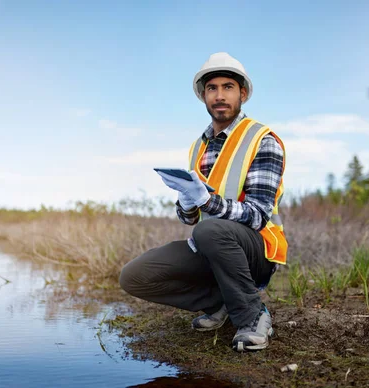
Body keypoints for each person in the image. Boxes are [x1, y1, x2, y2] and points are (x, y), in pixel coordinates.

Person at [119, 52, 287, 352]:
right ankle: (221, 301)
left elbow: (259, 215)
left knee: (209, 232)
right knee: (134, 276)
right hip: (210, 245)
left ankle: (252, 315)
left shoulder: (263, 140)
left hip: (256, 253)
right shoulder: (199, 146)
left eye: (228, 87)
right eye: (212, 88)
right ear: (204, 96)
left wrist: (206, 201)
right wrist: (186, 200)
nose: (220, 95)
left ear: (242, 93)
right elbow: (192, 219)